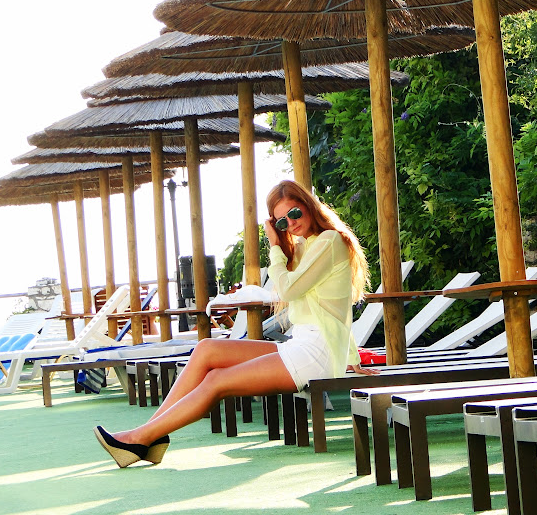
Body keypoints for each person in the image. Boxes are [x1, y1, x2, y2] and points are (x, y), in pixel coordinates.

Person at [94, 180, 377, 468]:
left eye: (294, 213)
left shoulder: (329, 241)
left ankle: (141, 438)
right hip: (302, 345)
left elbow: (289, 290)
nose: (291, 224)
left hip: (315, 353)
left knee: (216, 380)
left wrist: (275, 246)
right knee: (207, 349)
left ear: (308, 205)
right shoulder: (307, 244)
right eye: (282, 221)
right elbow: (334, 309)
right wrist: (352, 357)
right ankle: (150, 435)